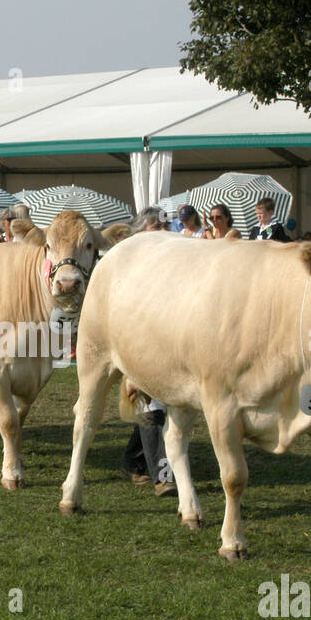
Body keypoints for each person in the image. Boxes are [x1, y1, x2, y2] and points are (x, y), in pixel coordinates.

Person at [120, 206, 174, 495]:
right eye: (156, 228)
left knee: (158, 410)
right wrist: (130, 371)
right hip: (139, 351)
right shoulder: (130, 271)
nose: (164, 232)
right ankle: (163, 478)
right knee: (153, 411)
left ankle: (133, 463)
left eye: (165, 226)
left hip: (166, 347)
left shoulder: (170, 266)